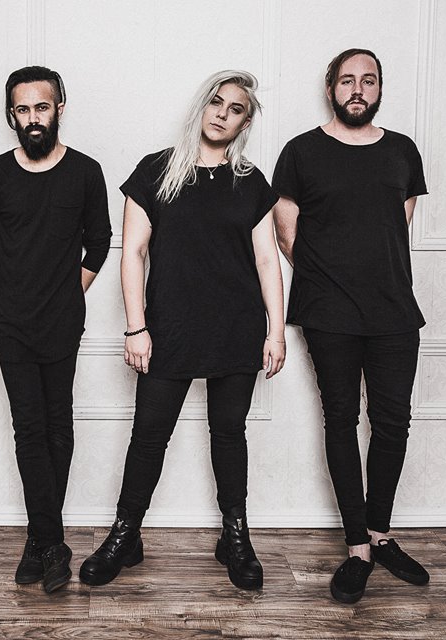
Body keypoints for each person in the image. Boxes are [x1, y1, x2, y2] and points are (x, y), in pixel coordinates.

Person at [79, 70, 285, 591]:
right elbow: (133, 254)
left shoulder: (250, 182)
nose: (222, 113)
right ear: (201, 106)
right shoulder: (155, 170)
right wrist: (136, 327)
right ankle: (125, 534)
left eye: (235, 109)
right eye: (216, 102)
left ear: (244, 123)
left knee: (228, 434)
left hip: (237, 328)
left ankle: (235, 537)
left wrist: (277, 332)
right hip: (168, 328)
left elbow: (267, 260)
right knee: (149, 435)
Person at [272, 48, 430, 604]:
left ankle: (381, 532)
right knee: (340, 420)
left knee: (392, 423)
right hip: (328, 312)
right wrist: (332, 278)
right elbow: (286, 232)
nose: (358, 89)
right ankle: (358, 546)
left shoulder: (402, 150)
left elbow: (398, 220)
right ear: (331, 88)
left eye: (368, 80)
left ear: (379, 88)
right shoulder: (302, 151)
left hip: (394, 310)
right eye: (347, 80)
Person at [0, 66, 112, 593]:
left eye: (42, 107)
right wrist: (19, 280)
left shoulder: (86, 172)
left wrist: (69, 289)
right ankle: (51, 542)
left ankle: (40, 540)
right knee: (28, 427)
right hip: (11, 322)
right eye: (23, 109)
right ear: (11, 114)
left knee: (58, 424)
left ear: (59, 109)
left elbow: (99, 240)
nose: (33, 118)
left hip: (62, 320)